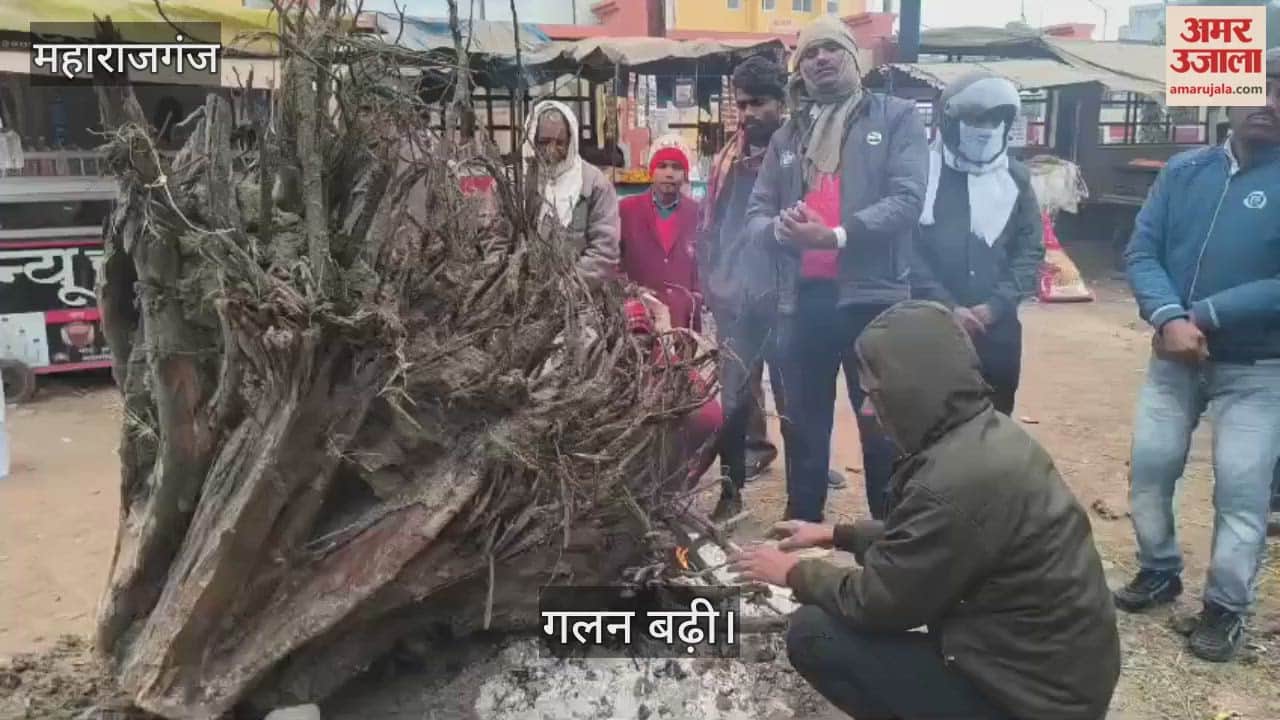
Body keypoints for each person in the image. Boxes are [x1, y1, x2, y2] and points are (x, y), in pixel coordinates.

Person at [729, 300, 1121, 720]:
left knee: (814, 634)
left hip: (1027, 704)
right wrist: (834, 535)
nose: (865, 409)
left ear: (911, 388)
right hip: (1051, 683)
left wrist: (792, 573)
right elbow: (938, 539)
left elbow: (879, 603)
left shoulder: (955, 480)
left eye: (873, 393)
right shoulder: (985, 434)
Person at [1115, 48, 1280, 663]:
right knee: (1151, 468)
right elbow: (1141, 251)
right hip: (1172, 358)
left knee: (1241, 489)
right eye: (1258, 86)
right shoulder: (1185, 171)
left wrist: (1203, 316)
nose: (1266, 101)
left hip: (1259, 368)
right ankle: (1158, 570)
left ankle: (1225, 607)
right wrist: (1165, 317)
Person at [745, 16, 927, 522]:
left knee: (880, 421)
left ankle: (888, 535)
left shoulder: (896, 118)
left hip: (873, 300)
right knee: (802, 422)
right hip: (802, 301)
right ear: (799, 68)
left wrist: (836, 236)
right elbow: (756, 213)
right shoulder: (787, 136)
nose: (820, 59)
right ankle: (800, 524)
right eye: (809, 53)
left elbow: (908, 200)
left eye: (831, 48)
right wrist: (777, 230)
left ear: (854, 56)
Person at [910, 71, 1045, 415]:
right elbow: (906, 248)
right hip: (931, 325)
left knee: (995, 423)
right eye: (975, 119)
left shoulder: (1016, 179)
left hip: (997, 328)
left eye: (995, 119)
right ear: (950, 121)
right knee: (932, 423)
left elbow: (1030, 250)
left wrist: (996, 305)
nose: (985, 128)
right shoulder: (921, 172)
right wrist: (947, 306)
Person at [699, 56, 792, 520]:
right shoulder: (727, 160)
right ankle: (731, 492)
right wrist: (713, 282)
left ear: (782, 102)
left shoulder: (798, 156)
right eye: (742, 104)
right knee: (733, 400)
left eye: (759, 103)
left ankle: (803, 495)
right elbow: (712, 227)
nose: (749, 113)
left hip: (790, 297)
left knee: (796, 398)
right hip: (737, 298)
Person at [623, 297, 722, 485]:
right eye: (633, 335)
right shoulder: (659, 356)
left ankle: (672, 483)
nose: (638, 343)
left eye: (641, 335)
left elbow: (710, 416)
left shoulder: (664, 363)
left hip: (686, 432)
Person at [523, 100, 620, 283]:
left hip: (578, 298)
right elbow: (497, 237)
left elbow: (604, 252)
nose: (551, 150)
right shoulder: (518, 181)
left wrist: (566, 288)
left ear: (571, 141)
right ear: (532, 139)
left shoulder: (594, 183)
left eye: (560, 143)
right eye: (543, 142)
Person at [619, 145, 703, 331]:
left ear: (685, 175)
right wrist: (628, 292)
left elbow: (707, 260)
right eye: (662, 166)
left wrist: (697, 296)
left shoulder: (697, 213)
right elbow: (614, 259)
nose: (669, 173)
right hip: (640, 319)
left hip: (683, 320)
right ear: (651, 172)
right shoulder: (627, 210)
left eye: (676, 167)